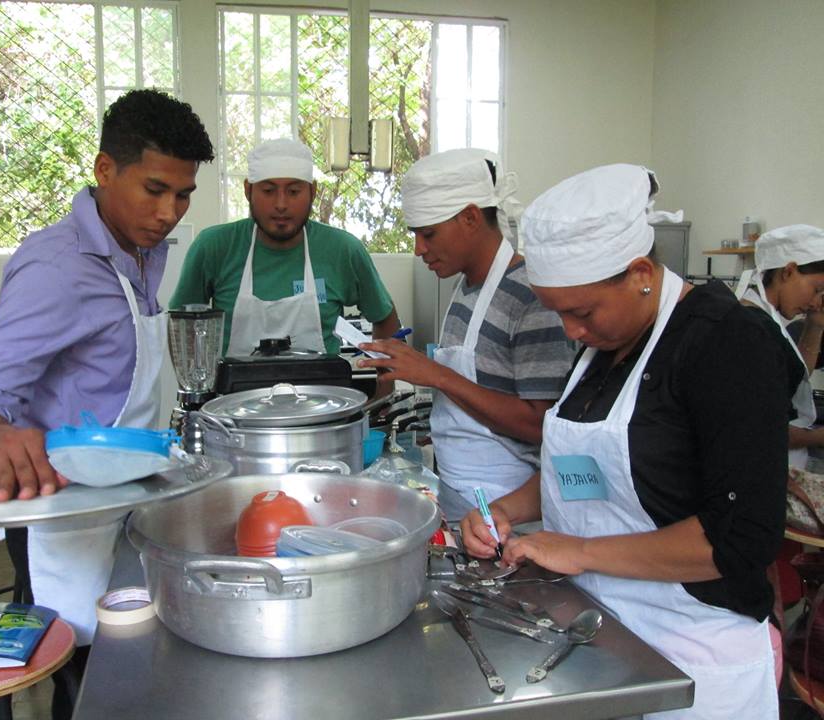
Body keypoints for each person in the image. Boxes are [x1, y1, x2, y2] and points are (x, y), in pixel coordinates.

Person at [461, 164, 789, 718]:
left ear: (640, 272)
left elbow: (740, 540)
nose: (569, 331)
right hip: (601, 632)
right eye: (557, 311)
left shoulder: (727, 343)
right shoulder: (602, 345)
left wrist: (581, 551)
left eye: (580, 311)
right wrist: (506, 510)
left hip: (693, 660)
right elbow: (590, 470)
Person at [0, 89, 214, 718]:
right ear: (103, 170)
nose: (169, 211)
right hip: (62, 522)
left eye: (183, 195)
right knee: (84, 685)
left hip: (120, 503)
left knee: (127, 668)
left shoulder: (139, 253)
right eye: (153, 190)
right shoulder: (57, 266)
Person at [358, 149, 574, 520]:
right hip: (461, 495)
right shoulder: (465, 289)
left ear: (471, 217)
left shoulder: (530, 297)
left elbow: (542, 425)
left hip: (512, 513)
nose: (419, 249)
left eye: (428, 234)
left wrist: (435, 375)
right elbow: (480, 395)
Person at [169, 138, 400, 364]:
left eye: (293, 192)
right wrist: (200, 386)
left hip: (324, 398)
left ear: (313, 191)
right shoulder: (214, 247)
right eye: (268, 191)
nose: (281, 204)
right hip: (233, 399)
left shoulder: (342, 250)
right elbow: (180, 329)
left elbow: (385, 319)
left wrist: (384, 390)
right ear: (248, 190)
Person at [735, 224, 824, 469]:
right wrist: (817, 437)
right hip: (762, 470)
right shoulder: (754, 329)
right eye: (816, 290)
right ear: (788, 271)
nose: (817, 303)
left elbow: (791, 380)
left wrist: (815, 326)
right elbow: (762, 429)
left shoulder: (766, 320)